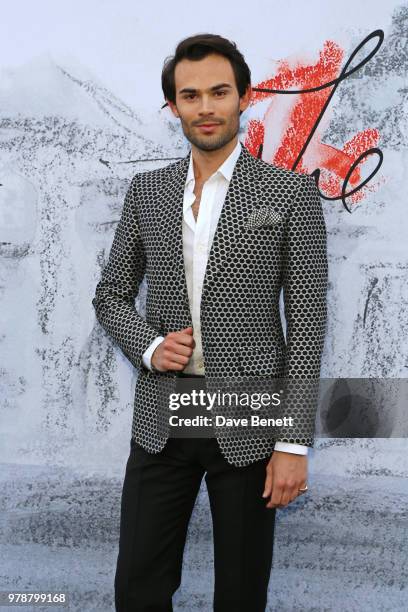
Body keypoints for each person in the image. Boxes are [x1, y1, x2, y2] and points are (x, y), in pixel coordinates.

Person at [92, 32, 328, 612]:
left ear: (244, 97)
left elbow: (307, 325)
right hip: (161, 420)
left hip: (250, 419)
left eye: (219, 92)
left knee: (242, 592)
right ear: (173, 105)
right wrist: (149, 347)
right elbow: (110, 295)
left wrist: (293, 443)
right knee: (139, 589)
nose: (206, 107)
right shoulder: (147, 191)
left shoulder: (290, 193)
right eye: (190, 95)